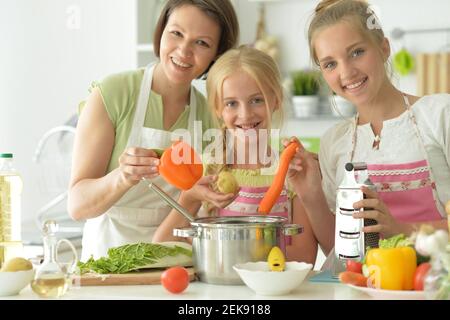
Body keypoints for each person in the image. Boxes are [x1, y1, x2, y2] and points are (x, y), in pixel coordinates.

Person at [68, 0, 239, 261]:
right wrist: (122, 177)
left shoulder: (211, 116)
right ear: (161, 31)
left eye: (201, 43)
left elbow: (204, 208)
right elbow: (78, 206)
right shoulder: (114, 93)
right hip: (107, 262)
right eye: (176, 34)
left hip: (176, 263)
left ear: (216, 53)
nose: (184, 51)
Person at [285, 0, 450, 266]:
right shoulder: (334, 142)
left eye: (357, 52)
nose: (346, 72)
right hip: (362, 288)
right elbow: (339, 254)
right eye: (330, 64)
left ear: (384, 47)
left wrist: (402, 229)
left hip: (436, 284)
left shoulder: (440, 114)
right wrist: (311, 195)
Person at [153, 46, 318, 264]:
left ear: (276, 99)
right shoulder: (207, 170)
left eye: (256, 100)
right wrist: (190, 197)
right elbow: (160, 250)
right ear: (218, 109)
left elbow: (304, 257)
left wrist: (229, 255)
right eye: (231, 103)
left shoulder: (293, 173)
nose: (245, 114)